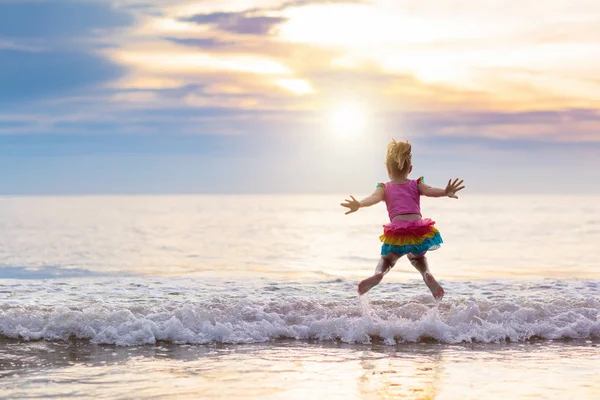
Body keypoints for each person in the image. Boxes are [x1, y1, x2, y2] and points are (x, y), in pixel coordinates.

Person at [340, 139, 465, 299]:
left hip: (397, 231)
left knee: (387, 260)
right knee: (417, 257)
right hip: (419, 230)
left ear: (387, 169)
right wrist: (445, 192)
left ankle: (378, 274)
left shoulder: (384, 187)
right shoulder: (416, 183)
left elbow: (373, 198)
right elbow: (430, 190)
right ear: (410, 169)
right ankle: (426, 274)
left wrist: (359, 204)